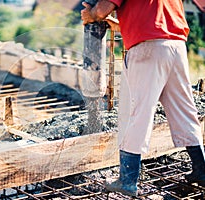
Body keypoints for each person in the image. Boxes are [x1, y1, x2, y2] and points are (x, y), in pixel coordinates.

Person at [81, 0, 205, 197]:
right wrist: (115, 22)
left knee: (138, 112)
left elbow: (102, 9)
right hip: (177, 47)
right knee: (184, 110)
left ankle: (127, 180)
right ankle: (201, 170)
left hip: (148, 50)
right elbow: (153, 22)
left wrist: (92, 15)